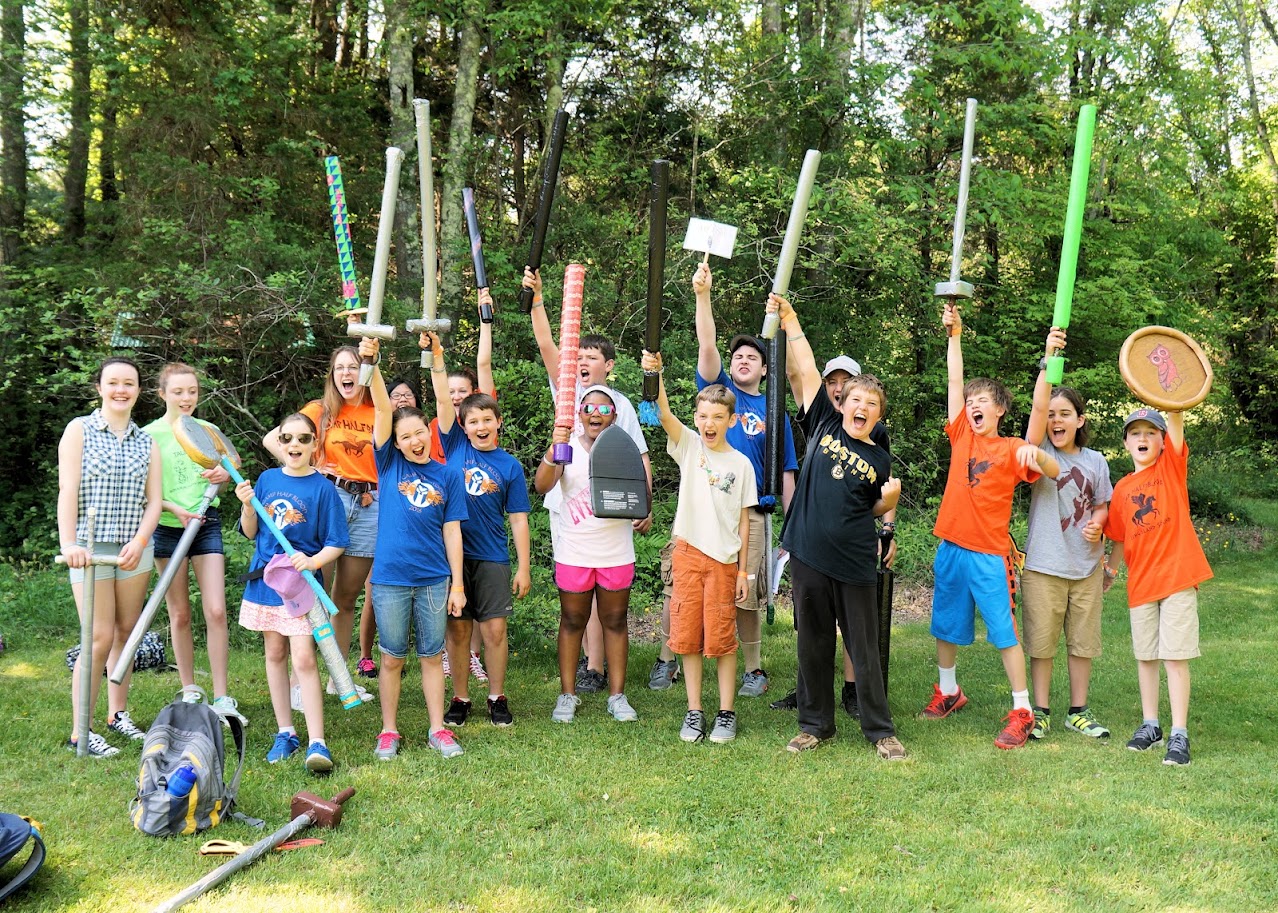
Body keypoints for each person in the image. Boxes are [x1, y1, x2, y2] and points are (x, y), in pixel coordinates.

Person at [769, 298, 906, 760]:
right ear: (841, 404)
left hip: (853, 563)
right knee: (813, 645)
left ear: (878, 416)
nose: (861, 407)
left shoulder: (879, 458)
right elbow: (805, 369)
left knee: (864, 649)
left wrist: (887, 504)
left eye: (871, 404)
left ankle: (880, 730)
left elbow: (868, 509)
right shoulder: (824, 424)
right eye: (855, 401)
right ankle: (815, 725)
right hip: (807, 555)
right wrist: (790, 320)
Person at [921, 304, 1059, 750]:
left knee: (1004, 632)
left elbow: (1050, 452)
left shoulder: (1015, 448)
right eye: (971, 402)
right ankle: (948, 691)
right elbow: (954, 382)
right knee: (945, 625)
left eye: (983, 402)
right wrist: (954, 336)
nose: (973, 404)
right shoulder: (962, 433)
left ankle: (1023, 710)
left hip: (989, 556)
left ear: (999, 411)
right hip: (952, 548)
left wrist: (1047, 362)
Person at [525, 267, 652, 693]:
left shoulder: (623, 408)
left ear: (608, 367)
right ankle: (585, 671)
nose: (580, 363)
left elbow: (640, 458)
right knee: (578, 598)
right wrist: (540, 300)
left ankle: (598, 669)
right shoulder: (566, 395)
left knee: (609, 600)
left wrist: (644, 503)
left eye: (589, 358)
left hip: (611, 520)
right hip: (570, 516)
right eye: (575, 358)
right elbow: (547, 344)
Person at [690, 262, 798, 698]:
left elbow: (787, 473)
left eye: (753, 356)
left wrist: (792, 527)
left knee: (746, 589)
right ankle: (676, 657)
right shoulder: (718, 396)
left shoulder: (775, 414)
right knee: (693, 584)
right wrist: (703, 296)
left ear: (766, 370)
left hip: (752, 512)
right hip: (705, 509)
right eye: (738, 356)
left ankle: (752, 668)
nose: (742, 360)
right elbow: (708, 344)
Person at [641, 349, 756, 743]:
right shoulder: (689, 446)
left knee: (723, 639)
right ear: (696, 418)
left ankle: (726, 713)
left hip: (724, 563)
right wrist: (655, 374)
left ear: (731, 420)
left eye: (718, 417)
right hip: (687, 556)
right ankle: (694, 712)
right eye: (703, 416)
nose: (710, 423)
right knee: (687, 636)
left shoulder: (741, 464)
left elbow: (744, 519)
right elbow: (664, 413)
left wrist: (743, 570)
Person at [363, 336, 469, 760]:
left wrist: (457, 585)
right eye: (405, 435)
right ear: (397, 440)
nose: (413, 440)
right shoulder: (388, 462)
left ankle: (437, 729)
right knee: (391, 658)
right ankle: (389, 731)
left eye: (419, 432)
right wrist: (371, 362)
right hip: (390, 578)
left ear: (429, 431)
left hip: (433, 579)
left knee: (431, 655)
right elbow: (384, 408)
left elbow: (453, 533)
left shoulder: (446, 475)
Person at [59, 357, 163, 756]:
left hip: (132, 549)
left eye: (129, 384)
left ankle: (117, 715)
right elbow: (67, 491)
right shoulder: (79, 430)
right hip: (90, 550)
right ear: (99, 387)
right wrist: (71, 544)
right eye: (114, 383)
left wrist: (140, 541)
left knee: (126, 633)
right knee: (97, 637)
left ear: (138, 390)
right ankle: (79, 730)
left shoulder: (146, 441)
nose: (121, 390)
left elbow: (153, 501)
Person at [236, 412, 348, 771]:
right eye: (287, 439)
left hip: (300, 587)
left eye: (303, 439)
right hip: (267, 584)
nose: (295, 445)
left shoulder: (324, 489)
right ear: (279, 444)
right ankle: (286, 732)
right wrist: (245, 504)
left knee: (303, 659)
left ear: (315, 444)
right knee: (274, 653)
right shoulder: (267, 480)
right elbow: (251, 532)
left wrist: (313, 562)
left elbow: (337, 543)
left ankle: (318, 741)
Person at [1102, 406, 1212, 766]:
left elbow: (1177, 426)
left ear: (1163, 442)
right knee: (1146, 656)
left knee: (1174, 656)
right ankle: (1151, 725)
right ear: (1125, 443)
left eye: (1152, 432)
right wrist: (1111, 571)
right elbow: (1118, 536)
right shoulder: (1122, 489)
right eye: (1136, 433)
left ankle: (1179, 733)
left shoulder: (1171, 468)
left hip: (1178, 576)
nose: (1144, 438)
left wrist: (1175, 402)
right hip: (1141, 582)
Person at [264, 346, 374, 704]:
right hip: (328, 497)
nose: (346, 373)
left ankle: (337, 678)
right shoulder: (320, 410)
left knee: (343, 599)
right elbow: (274, 439)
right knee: (309, 594)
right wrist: (306, 467)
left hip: (368, 503)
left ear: (364, 372)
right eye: (339, 367)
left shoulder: (376, 408)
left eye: (353, 367)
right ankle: (299, 681)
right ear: (332, 374)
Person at [435, 331, 532, 728]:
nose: (479, 425)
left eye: (486, 420)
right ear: (462, 425)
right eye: (472, 420)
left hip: (492, 557)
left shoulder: (510, 466)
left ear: (498, 423)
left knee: (493, 631)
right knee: (457, 632)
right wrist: (437, 355)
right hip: (454, 558)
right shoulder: (455, 446)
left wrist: (524, 567)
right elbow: (444, 397)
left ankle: (496, 695)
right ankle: (460, 697)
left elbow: (519, 519)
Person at [1020, 332, 1114, 741]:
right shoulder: (1039, 451)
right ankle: (1039, 711)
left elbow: (1102, 503)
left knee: (1083, 643)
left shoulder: (1096, 461)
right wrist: (1047, 359)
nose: (1056, 420)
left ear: (1080, 420)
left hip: (1087, 567)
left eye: (1065, 414)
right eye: (1052, 415)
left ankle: (1078, 710)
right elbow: (1039, 407)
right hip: (1044, 566)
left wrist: (1098, 521)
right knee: (1041, 643)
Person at [142, 363, 242, 722]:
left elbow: (232, 463)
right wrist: (173, 509)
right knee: (180, 613)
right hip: (168, 527)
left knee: (215, 610)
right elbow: (142, 490)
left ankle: (223, 695)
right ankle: (189, 688)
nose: (186, 398)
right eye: (178, 392)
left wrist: (224, 474)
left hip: (206, 524)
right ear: (162, 394)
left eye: (192, 392)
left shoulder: (209, 430)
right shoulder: (148, 434)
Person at [534, 386, 640, 724]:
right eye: (589, 407)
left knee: (615, 621)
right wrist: (554, 452)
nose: (595, 414)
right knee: (572, 621)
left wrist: (644, 511)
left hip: (616, 552)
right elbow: (542, 485)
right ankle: (567, 695)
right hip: (574, 551)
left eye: (604, 409)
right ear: (579, 414)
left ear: (614, 415)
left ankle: (618, 696)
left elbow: (641, 497)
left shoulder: (624, 450)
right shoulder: (566, 450)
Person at [426, 290, 498, 686]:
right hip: (449, 524)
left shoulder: (483, 426)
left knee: (480, 603)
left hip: (484, 534)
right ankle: (449, 656)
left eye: (463, 393)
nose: (456, 399)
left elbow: (483, 364)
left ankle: (471, 658)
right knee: (455, 600)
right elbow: (439, 396)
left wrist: (485, 322)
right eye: (451, 394)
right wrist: (437, 357)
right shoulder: (447, 434)